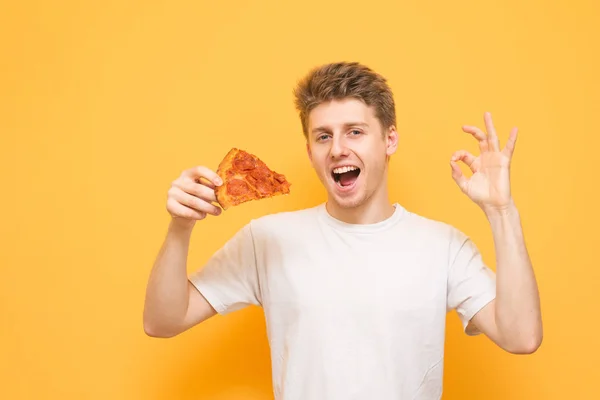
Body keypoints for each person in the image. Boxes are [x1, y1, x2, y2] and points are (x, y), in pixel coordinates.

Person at [143, 61, 543, 399]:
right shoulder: (267, 240)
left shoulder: (444, 247)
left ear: (389, 140)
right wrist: (181, 227)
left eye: (355, 131)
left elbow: (521, 336)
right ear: (310, 152)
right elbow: (162, 321)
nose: (337, 148)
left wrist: (501, 211)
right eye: (323, 136)